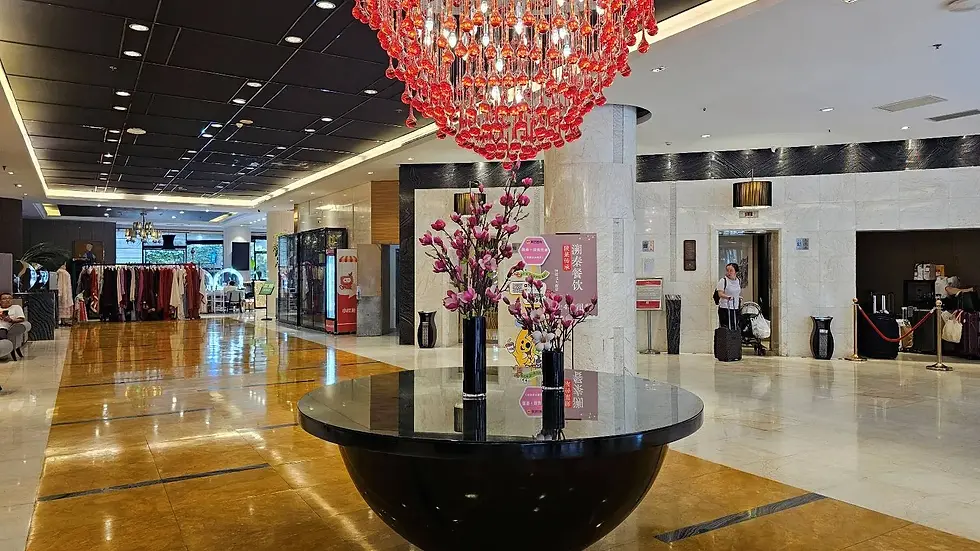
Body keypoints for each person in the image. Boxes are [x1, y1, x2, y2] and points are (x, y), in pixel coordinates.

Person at [717, 263, 742, 330]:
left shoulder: (738, 281)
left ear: (735, 272)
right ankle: (725, 340)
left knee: (735, 326)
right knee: (726, 328)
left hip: (735, 307)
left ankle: (734, 340)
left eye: (731, 270)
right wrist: (727, 297)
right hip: (725, 307)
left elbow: (736, 292)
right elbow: (720, 294)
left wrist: (738, 297)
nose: (729, 272)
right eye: (727, 270)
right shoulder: (723, 281)